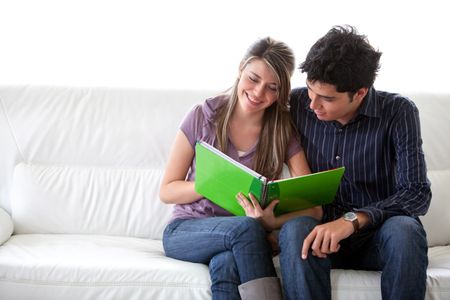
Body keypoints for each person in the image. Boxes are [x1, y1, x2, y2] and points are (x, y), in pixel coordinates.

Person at [159, 37, 322, 300]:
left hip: (243, 237)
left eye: (272, 88)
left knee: (226, 264)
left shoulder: (282, 131)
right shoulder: (202, 116)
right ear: (241, 69)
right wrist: (211, 183)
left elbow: (314, 207)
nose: (259, 93)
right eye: (253, 79)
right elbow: (167, 190)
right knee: (245, 228)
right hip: (187, 230)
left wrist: (270, 221)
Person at [278, 25, 432, 300]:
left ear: (360, 93)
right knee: (295, 229)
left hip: (377, 236)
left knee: (405, 230)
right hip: (319, 238)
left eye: (327, 98)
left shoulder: (398, 112)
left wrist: (352, 220)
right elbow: (245, 106)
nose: (313, 105)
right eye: (311, 91)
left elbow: (417, 193)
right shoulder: (299, 102)